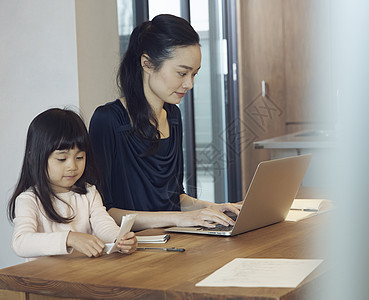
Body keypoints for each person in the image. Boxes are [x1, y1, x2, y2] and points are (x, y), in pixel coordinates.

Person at [89, 14, 241, 231]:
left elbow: (173, 198)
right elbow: (104, 212)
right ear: (147, 64)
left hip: (172, 240)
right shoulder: (108, 120)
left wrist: (214, 208)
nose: (189, 84)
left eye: (194, 74)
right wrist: (179, 219)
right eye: (182, 73)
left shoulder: (173, 116)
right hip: (133, 249)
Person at [7, 108, 137, 261]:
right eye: (62, 159)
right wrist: (69, 238)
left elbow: (103, 224)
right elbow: (21, 242)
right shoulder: (29, 200)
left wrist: (119, 239)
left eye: (80, 157)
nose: (72, 166)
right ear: (34, 158)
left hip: (82, 275)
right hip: (45, 281)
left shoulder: (89, 193)